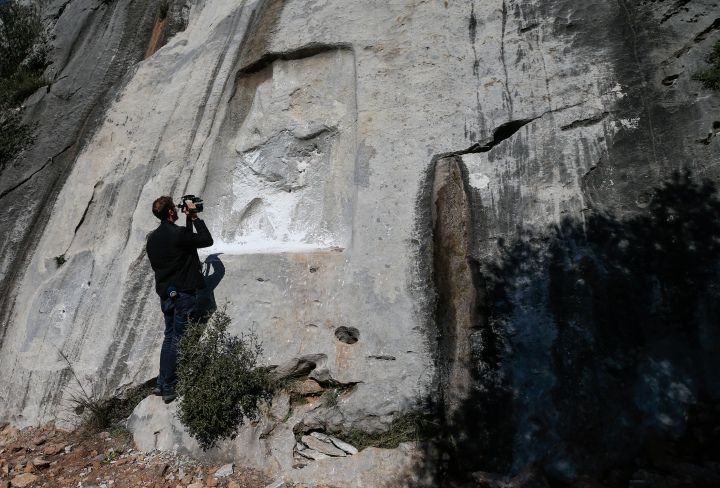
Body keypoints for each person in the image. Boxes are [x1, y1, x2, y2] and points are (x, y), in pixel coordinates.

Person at [146, 196, 213, 403]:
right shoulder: (178, 235)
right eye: (174, 208)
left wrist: (186, 222)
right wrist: (194, 216)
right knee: (178, 339)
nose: (177, 210)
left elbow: (184, 245)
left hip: (167, 294)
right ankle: (169, 386)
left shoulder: (153, 239)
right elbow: (206, 240)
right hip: (184, 294)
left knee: (169, 337)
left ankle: (160, 383)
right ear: (169, 213)